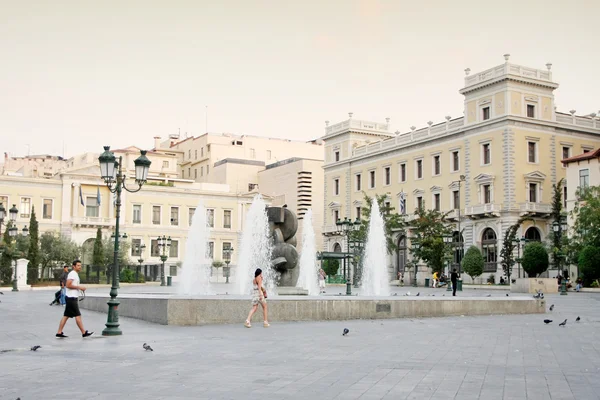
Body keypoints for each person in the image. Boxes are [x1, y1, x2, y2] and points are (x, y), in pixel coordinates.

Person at [56, 260, 93, 338]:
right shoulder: (72, 274)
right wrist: (79, 287)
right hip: (71, 298)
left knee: (66, 316)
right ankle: (84, 332)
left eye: (80, 265)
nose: (80, 267)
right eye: (78, 265)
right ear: (74, 266)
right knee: (78, 315)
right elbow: (68, 285)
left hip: (71, 297)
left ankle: (59, 332)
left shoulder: (75, 274)